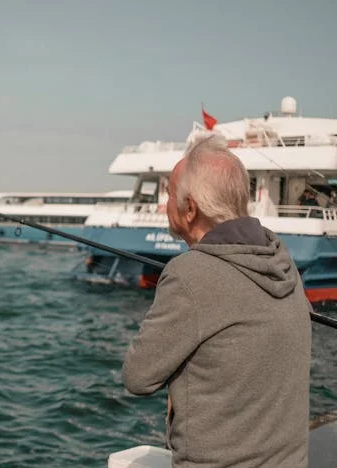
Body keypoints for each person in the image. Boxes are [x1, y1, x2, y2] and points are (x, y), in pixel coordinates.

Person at [122, 134, 312, 467]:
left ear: (190, 209)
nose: (163, 205)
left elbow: (138, 377)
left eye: (168, 195)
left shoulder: (189, 274)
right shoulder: (281, 258)